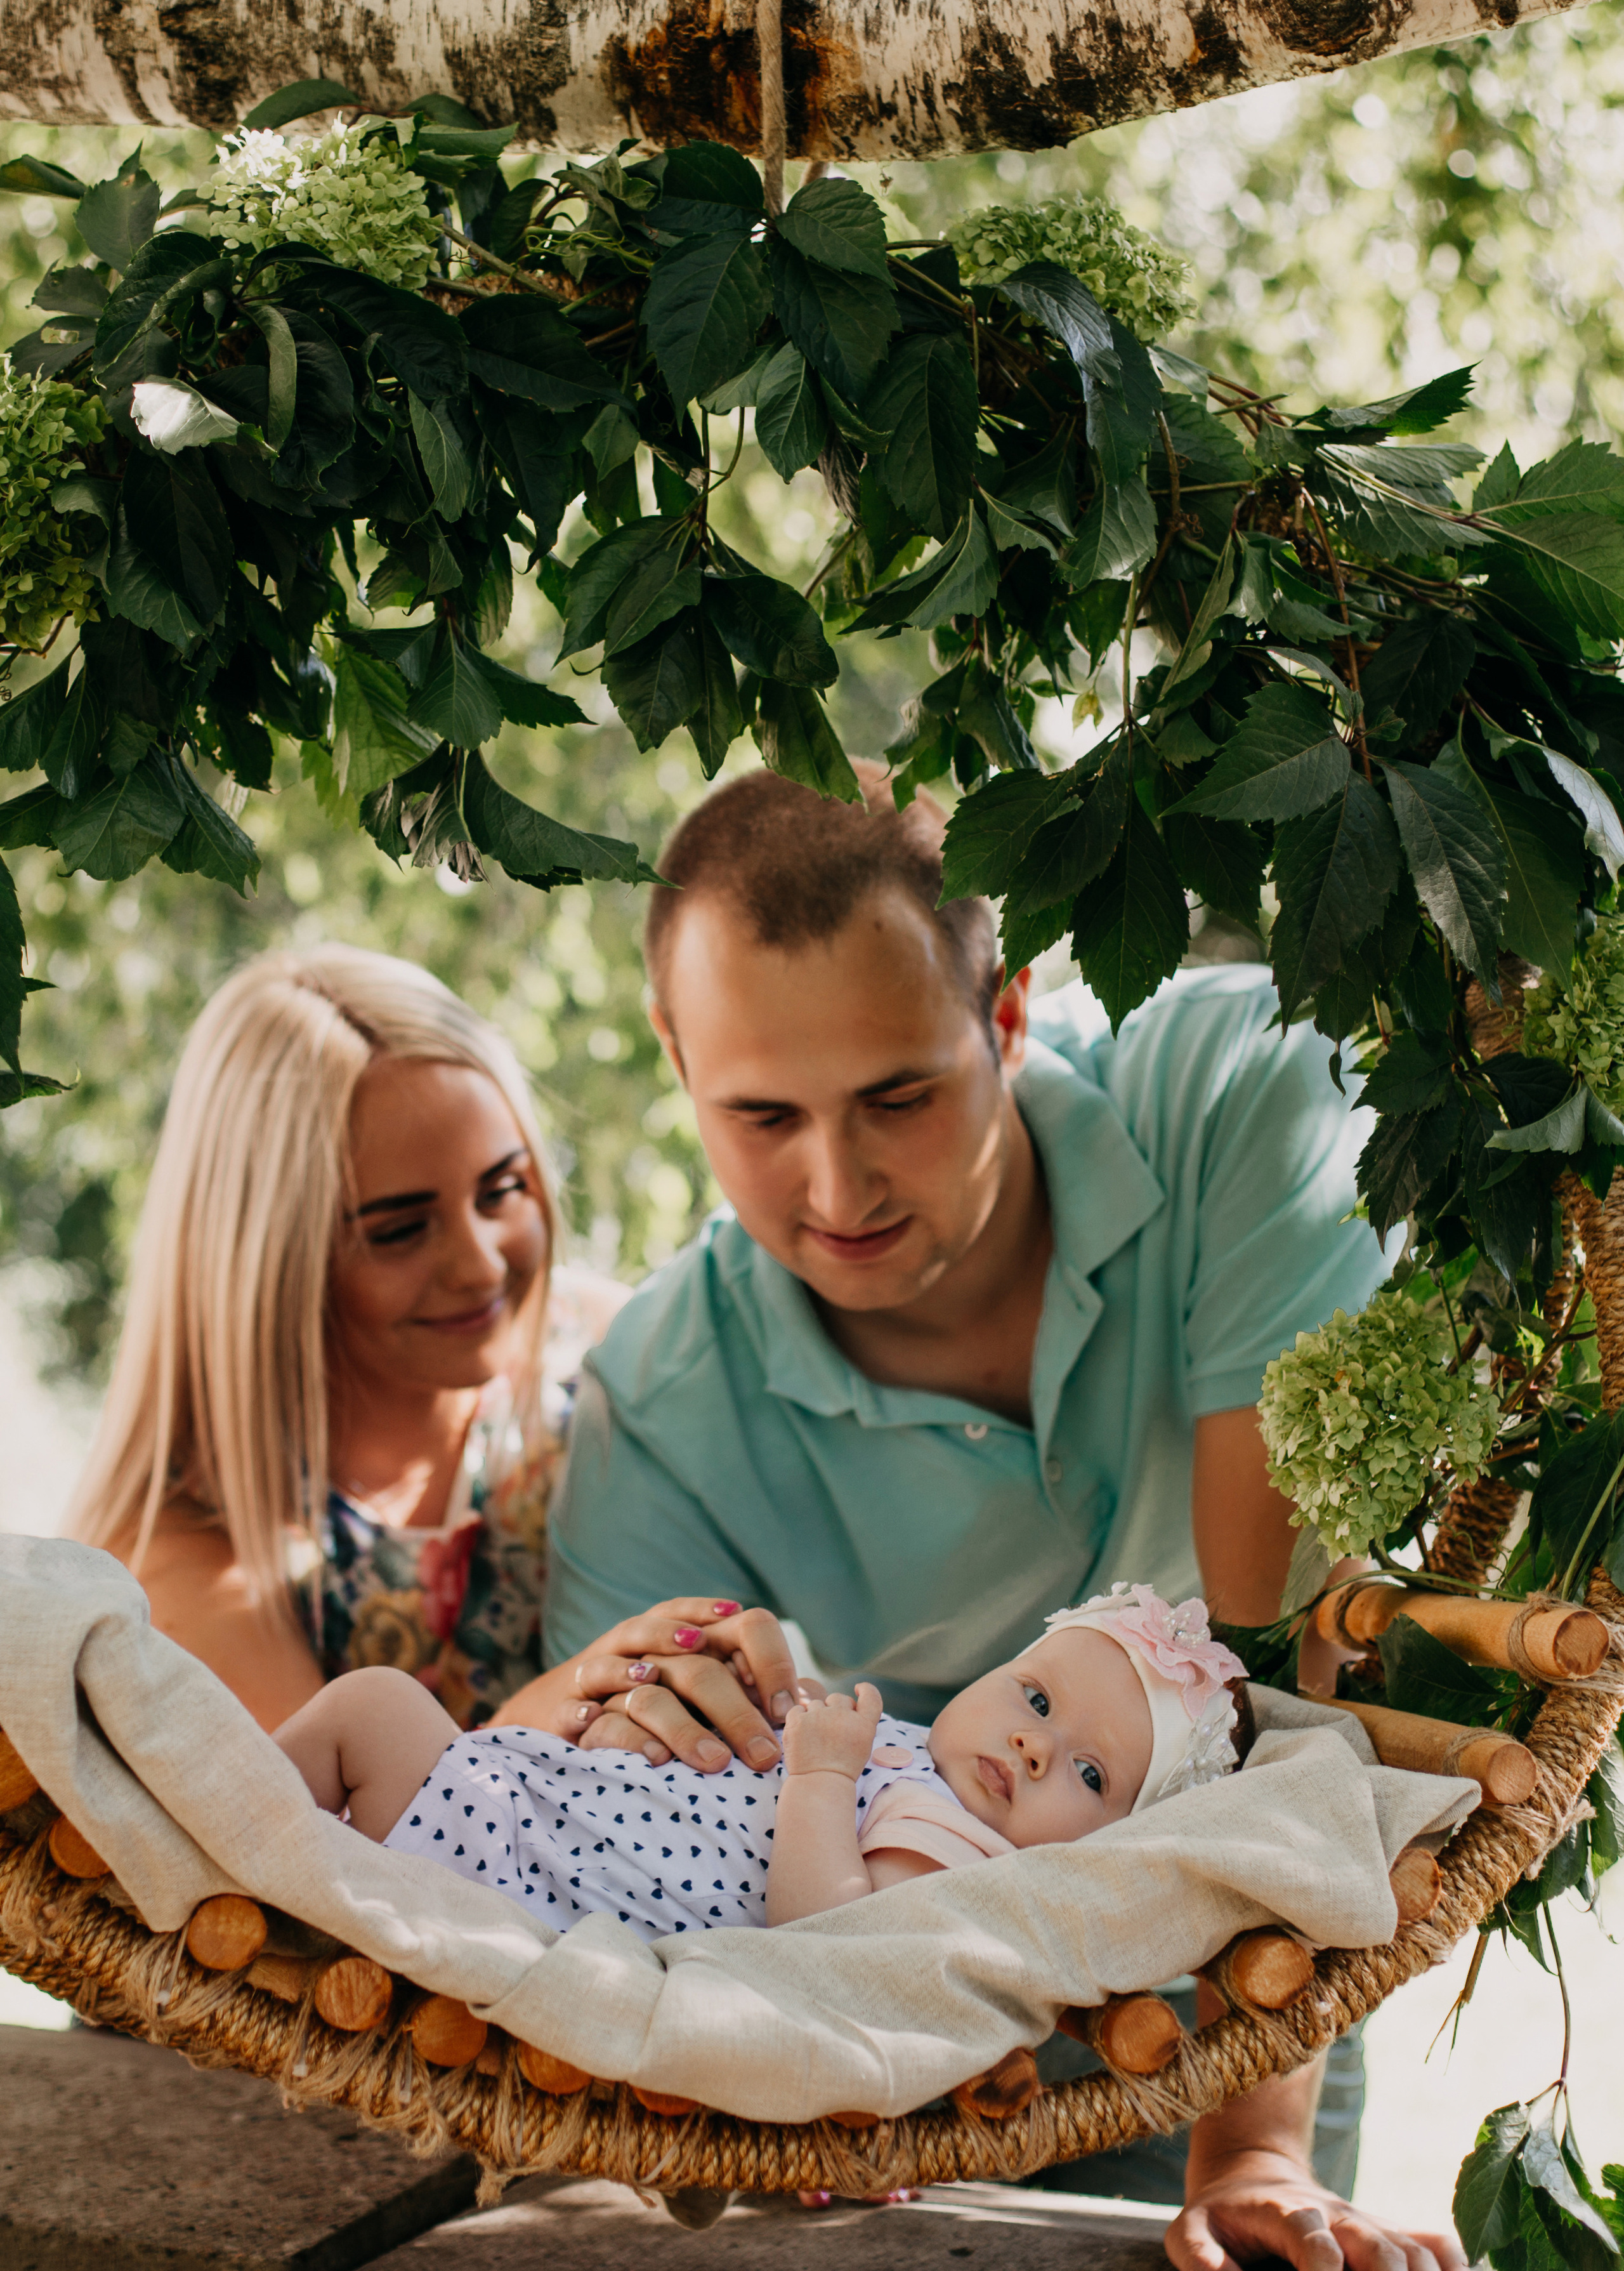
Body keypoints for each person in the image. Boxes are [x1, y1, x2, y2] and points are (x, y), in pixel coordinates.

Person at [531, 767, 1454, 2271]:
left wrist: (1252, 2150)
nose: (836, 1188)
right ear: (671, 1053)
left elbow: (1287, 1664)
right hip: (874, 2041)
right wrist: (649, 1702)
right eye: (760, 1113)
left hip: (1243, 1990)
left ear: (1006, 1006)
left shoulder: (1242, 1100)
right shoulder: (658, 1404)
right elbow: (619, 1861)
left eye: (897, 1095)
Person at [68, 944, 792, 1749]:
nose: (481, 1262)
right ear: (270, 1259)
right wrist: (551, 1716)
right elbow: (318, 1854)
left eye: (504, 1188)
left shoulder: (615, 1361)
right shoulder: (181, 1552)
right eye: (400, 1229)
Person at [273, 1584, 1245, 1933]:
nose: (1036, 1746)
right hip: (545, 1804)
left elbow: (835, 1938)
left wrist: (821, 1777)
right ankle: (229, 1826)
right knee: (376, 1712)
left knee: (374, 1709)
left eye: (1090, 1775)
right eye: (1034, 1697)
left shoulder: (964, 1858)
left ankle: (218, 1828)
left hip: (539, 1873)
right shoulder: (916, 1757)